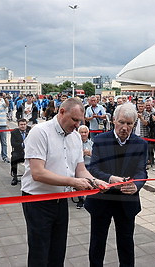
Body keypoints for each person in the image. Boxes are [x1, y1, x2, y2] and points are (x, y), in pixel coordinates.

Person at [21, 97, 108, 267]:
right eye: (74, 120)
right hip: (38, 200)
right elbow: (37, 173)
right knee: (39, 253)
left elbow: (80, 170)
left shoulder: (75, 137)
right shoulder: (40, 132)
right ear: (62, 112)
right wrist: (74, 182)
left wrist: (96, 181)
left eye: (80, 121)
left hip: (61, 200)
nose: (77, 125)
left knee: (58, 252)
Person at [85, 103, 148, 267]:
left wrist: (137, 185)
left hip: (127, 200)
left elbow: (142, 171)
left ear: (134, 124)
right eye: (121, 122)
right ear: (113, 120)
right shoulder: (100, 140)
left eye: (129, 124)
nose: (125, 127)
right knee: (98, 242)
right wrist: (110, 178)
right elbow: (93, 168)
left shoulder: (140, 144)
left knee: (126, 242)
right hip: (102, 199)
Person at [76, 125, 93, 209]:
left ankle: (89, 198)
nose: (83, 134)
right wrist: (81, 154)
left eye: (85, 132)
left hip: (89, 165)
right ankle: (80, 199)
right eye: (81, 132)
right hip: (79, 166)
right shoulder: (75, 143)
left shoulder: (92, 143)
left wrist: (90, 153)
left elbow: (97, 156)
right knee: (79, 181)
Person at [10, 119, 30, 186]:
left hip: (29, 152)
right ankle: (14, 177)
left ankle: (31, 176)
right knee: (14, 158)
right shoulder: (14, 132)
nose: (23, 126)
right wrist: (22, 145)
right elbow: (13, 144)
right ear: (18, 125)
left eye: (24, 124)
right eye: (21, 124)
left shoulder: (30, 130)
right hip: (18, 151)